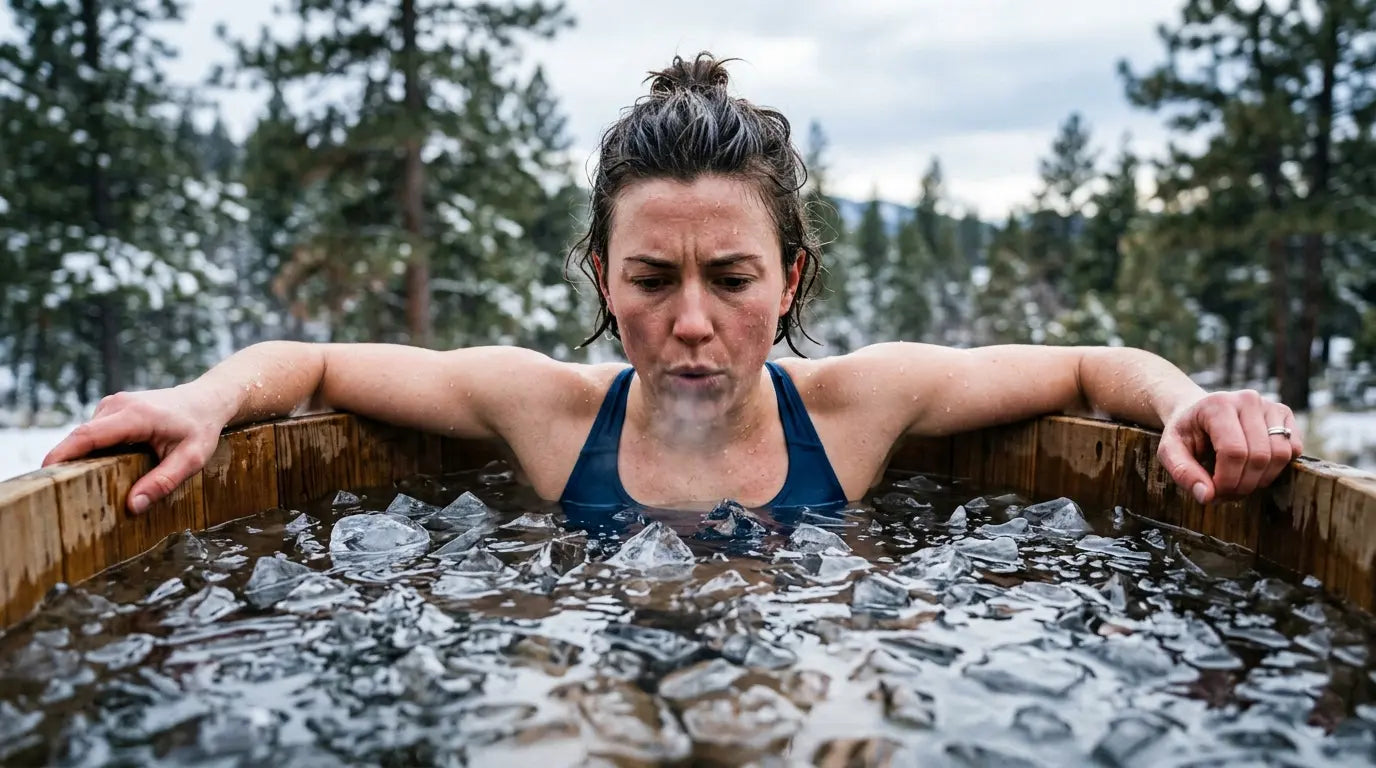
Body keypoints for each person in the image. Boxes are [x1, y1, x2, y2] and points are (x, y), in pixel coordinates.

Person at [44, 52, 1302, 517]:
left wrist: (1185, 396)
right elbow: (310, 365)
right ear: (600, 274)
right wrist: (209, 399)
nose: (689, 320)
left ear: (792, 276)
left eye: (732, 276)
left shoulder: (856, 408)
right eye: (649, 277)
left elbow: (1091, 368)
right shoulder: (543, 411)